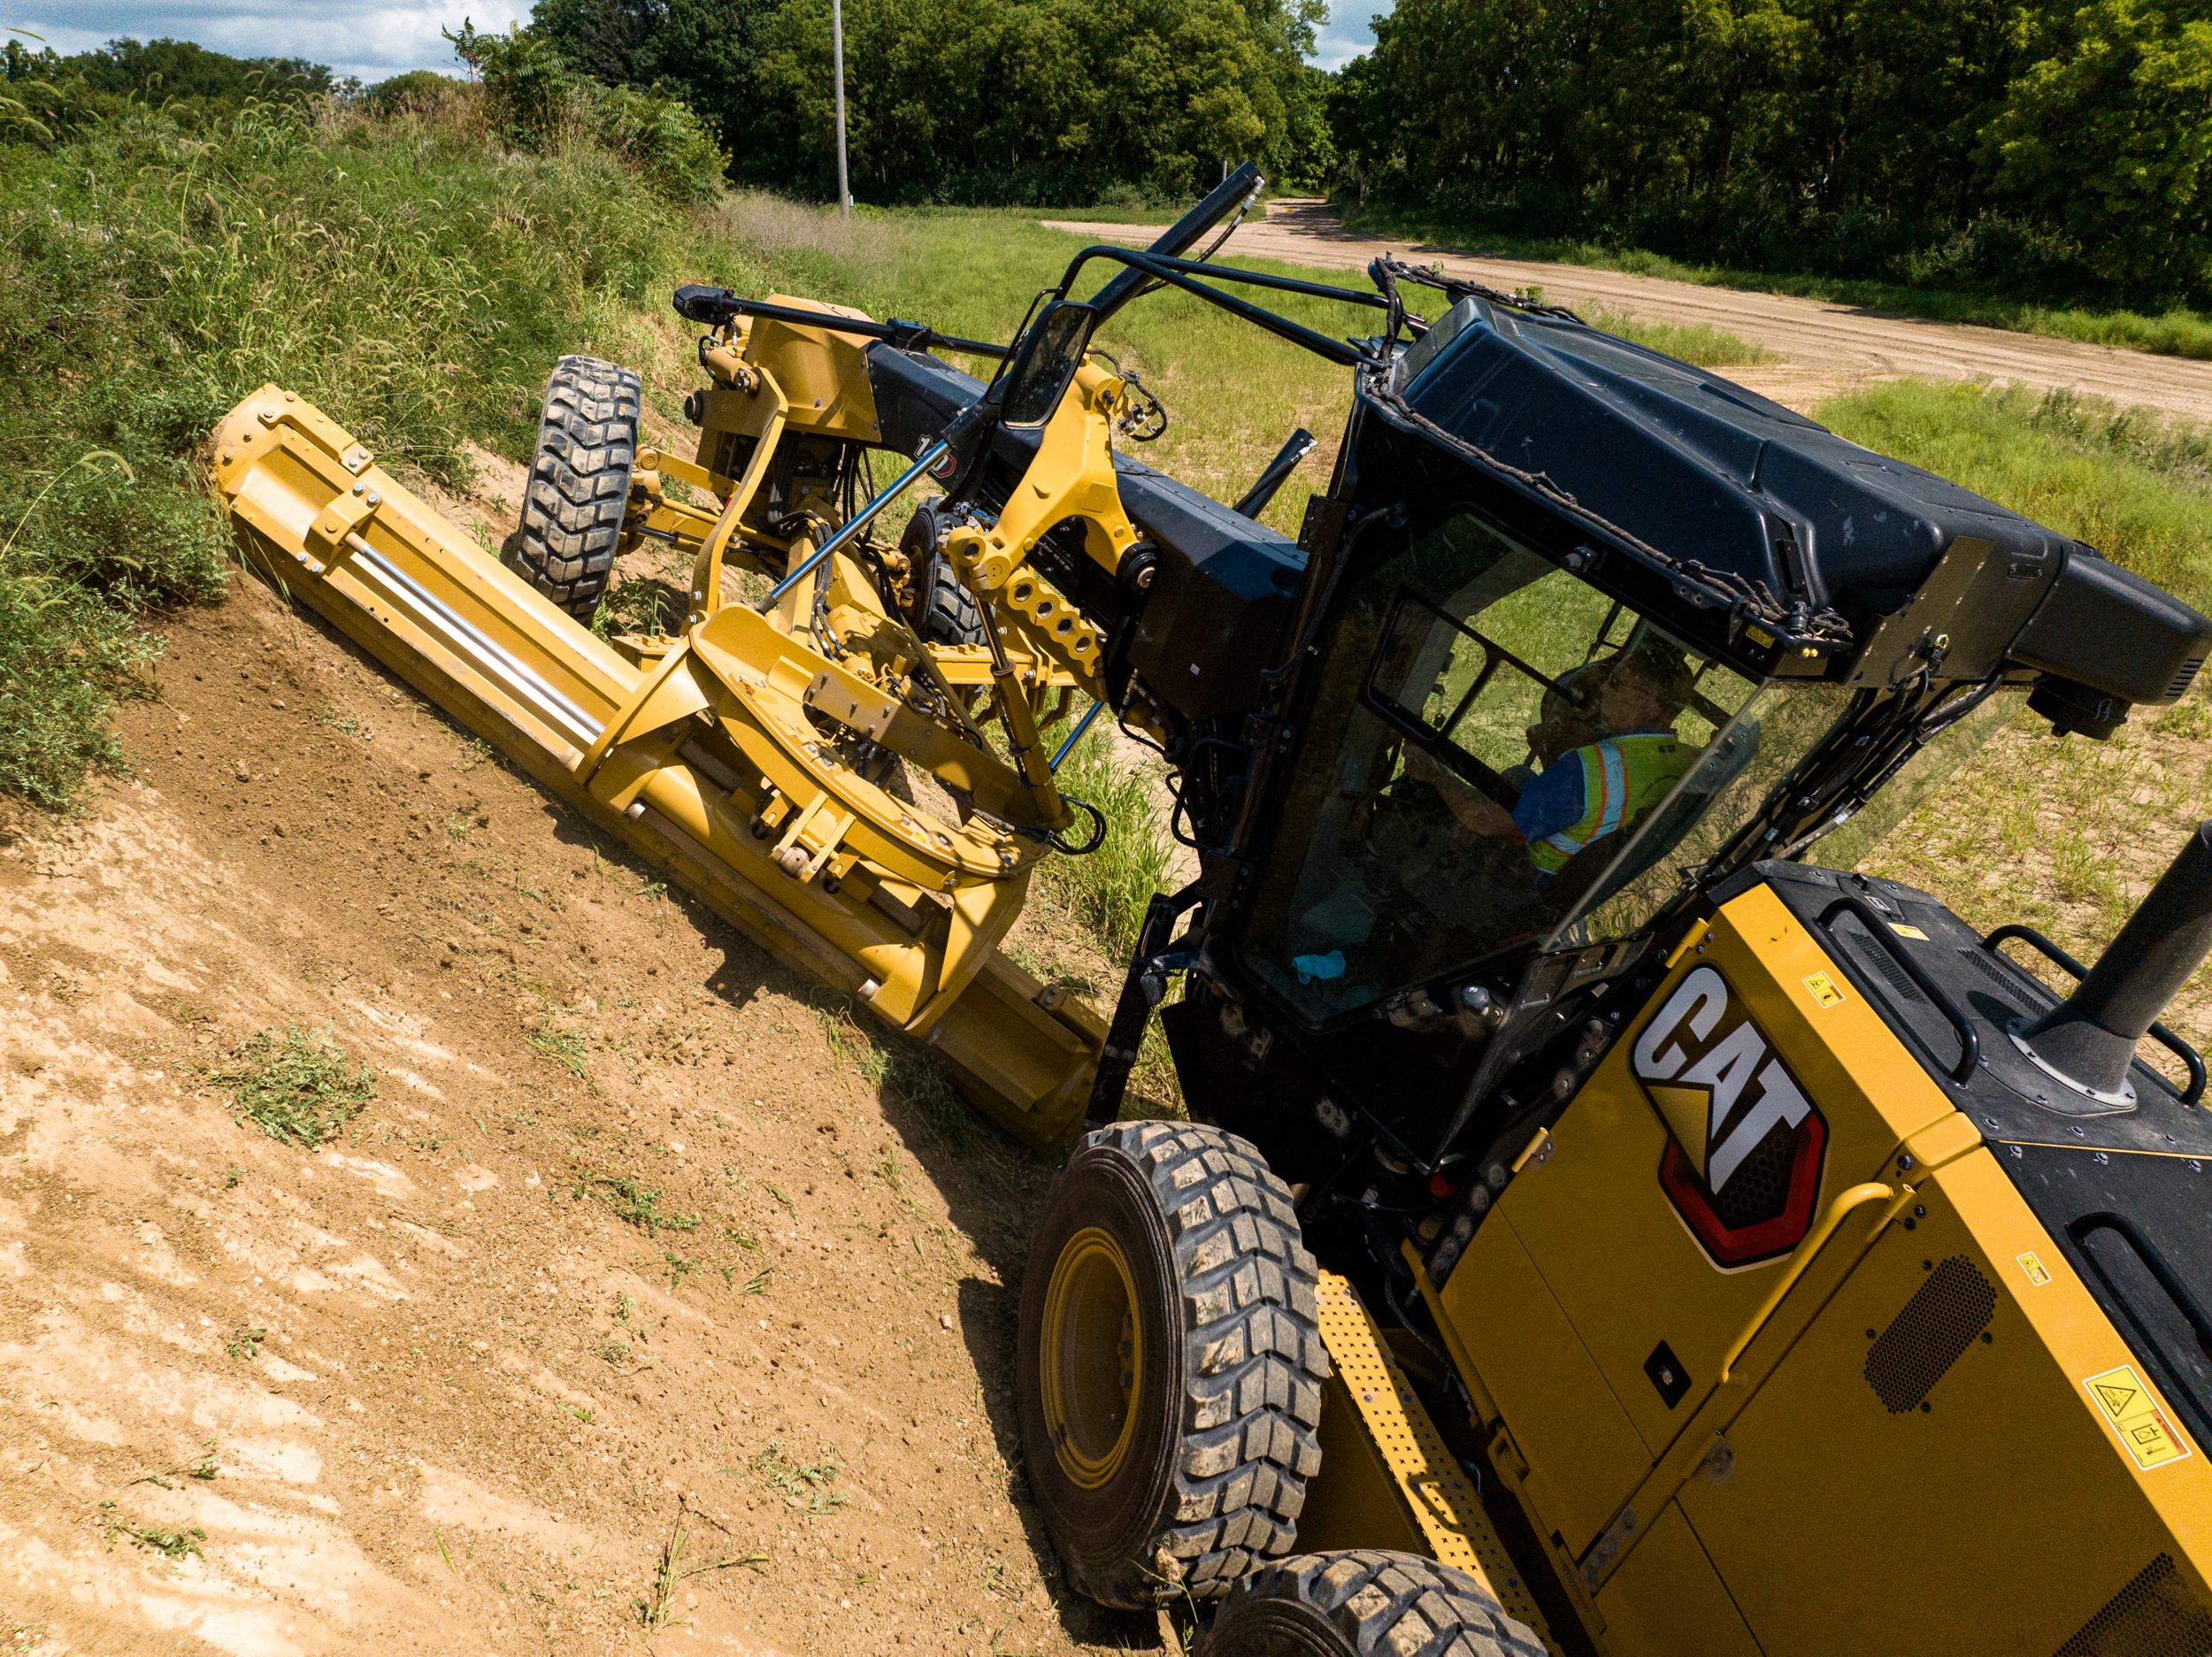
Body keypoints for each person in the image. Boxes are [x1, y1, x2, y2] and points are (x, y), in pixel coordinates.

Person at [1510, 645, 1698, 878]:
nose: (1603, 687)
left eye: (1615, 682)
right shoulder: (1690, 763)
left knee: (1515, 776)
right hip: (1590, 877)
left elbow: (1506, 828)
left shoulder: (1587, 765)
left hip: (1532, 874)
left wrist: (1459, 788)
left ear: (1650, 704)